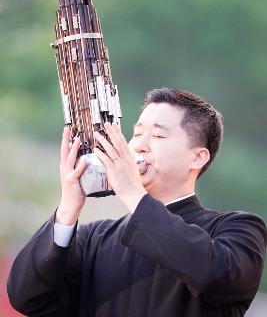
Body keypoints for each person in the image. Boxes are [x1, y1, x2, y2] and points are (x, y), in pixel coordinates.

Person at [7, 88, 267, 317]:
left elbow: (216, 277)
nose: (139, 146)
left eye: (158, 136)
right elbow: (27, 298)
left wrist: (132, 193)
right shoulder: (94, 238)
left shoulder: (239, 229)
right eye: (136, 133)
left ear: (197, 158)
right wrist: (67, 208)